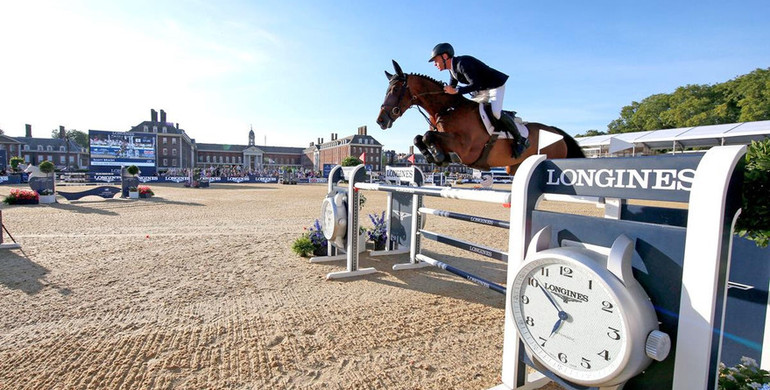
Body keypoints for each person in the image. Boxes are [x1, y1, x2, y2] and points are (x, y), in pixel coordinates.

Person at [428, 42, 528, 155]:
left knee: (495, 113)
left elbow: (476, 84)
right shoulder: (452, 70)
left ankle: (520, 140)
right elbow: (452, 87)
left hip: (494, 85)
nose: (435, 64)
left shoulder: (462, 64)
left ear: (444, 57)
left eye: (436, 60)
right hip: (482, 90)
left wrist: (456, 91)